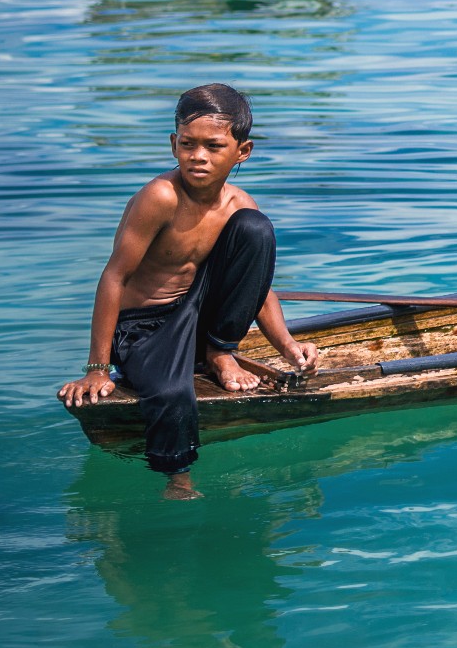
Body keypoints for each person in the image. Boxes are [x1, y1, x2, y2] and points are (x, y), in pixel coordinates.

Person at [56, 85, 319, 499]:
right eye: (188, 144)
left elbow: (257, 285)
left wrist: (287, 345)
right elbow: (113, 277)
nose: (199, 156)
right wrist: (97, 368)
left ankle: (219, 352)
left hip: (200, 320)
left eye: (214, 146)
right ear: (173, 144)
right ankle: (176, 478)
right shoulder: (160, 197)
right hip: (144, 329)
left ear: (242, 151)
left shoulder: (238, 204)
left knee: (257, 229)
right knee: (174, 394)